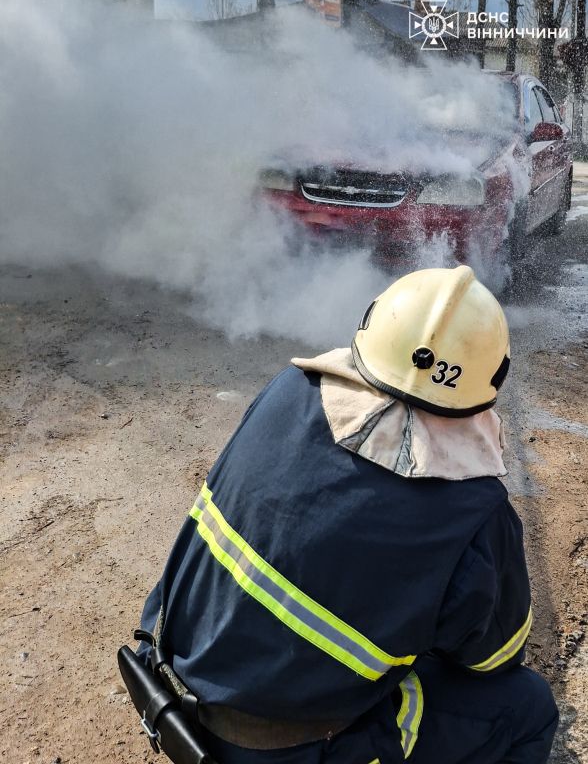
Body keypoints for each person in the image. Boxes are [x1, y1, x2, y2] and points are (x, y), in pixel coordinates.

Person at [137, 265, 558, 764]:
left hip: (166, 680)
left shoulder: (288, 391)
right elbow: (494, 659)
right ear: (492, 380)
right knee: (528, 707)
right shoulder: (473, 511)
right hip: (271, 752)